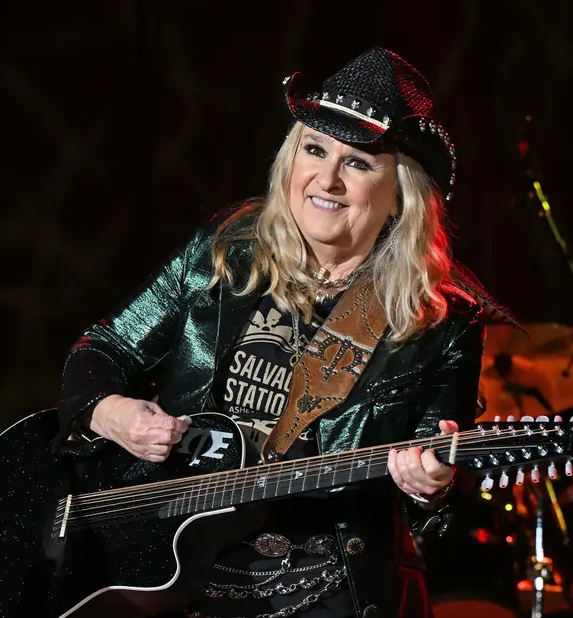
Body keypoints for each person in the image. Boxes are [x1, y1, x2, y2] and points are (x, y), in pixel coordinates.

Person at [55, 47, 514, 618]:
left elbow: (436, 484)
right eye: (315, 150)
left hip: (325, 587)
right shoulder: (227, 250)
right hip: (166, 574)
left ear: (400, 193)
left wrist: (432, 484)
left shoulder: (441, 318)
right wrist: (105, 411)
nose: (327, 179)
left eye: (359, 162)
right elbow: (104, 348)